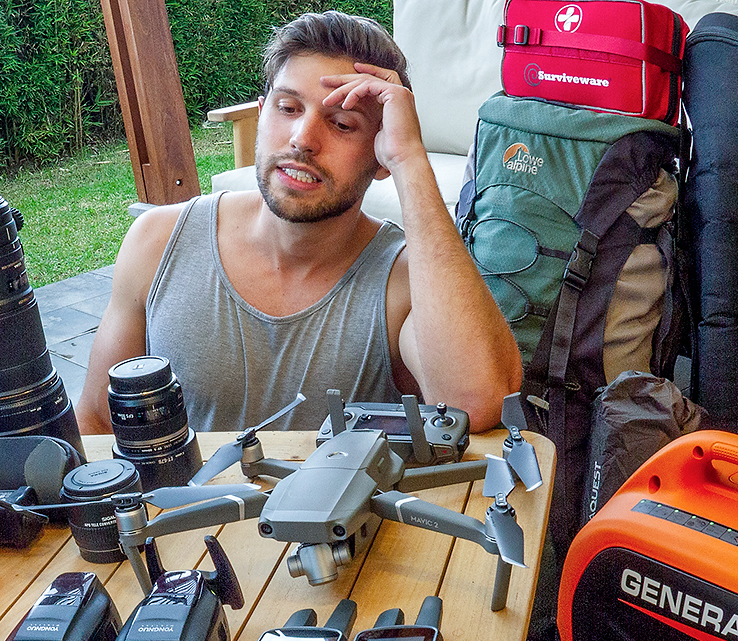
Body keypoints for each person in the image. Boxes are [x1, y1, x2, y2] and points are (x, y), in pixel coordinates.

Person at [76, 11, 520, 436]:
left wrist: (410, 160)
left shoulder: (402, 284)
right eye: (288, 108)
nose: (303, 140)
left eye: (343, 124)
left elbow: (476, 401)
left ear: (380, 153)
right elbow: (96, 420)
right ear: (263, 108)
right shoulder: (157, 241)